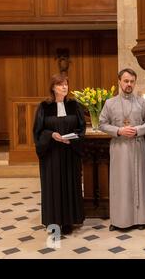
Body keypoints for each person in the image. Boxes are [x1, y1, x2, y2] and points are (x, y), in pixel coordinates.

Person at [99, 68, 145, 231]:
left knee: (137, 181)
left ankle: (139, 219)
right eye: (126, 81)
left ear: (135, 83)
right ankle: (117, 220)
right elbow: (102, 123)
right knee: (120, 183)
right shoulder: (110, 103)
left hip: (137, 146)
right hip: (119, 146)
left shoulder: (142, 102)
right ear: (119, 81)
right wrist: (118, 131)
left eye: (132, 81)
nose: (129, 84)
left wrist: (137, 130)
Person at [33, 73, 86, 235]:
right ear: (53, 88)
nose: (64, 87)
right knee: (53, 185)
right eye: (60, 84)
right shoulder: (44, 106)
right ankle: (54, 221)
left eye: (66, 84)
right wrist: (51, 135)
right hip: (52, 154)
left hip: (70, 152)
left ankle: (69, 221)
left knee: (70, 184)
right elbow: (38, 131)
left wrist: (73, 138)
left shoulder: (74, 105)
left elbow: (81, 127)